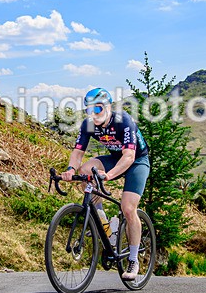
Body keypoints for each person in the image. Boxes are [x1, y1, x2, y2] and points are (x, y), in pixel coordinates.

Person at [61, 87, 150, 280]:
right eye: (89, 110)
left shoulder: (123, 121)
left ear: (108, 107)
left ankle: (133, 260)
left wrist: (108, 176)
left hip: (136, 161)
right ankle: (107, 227)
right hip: (114, 158)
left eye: (98, 109)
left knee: (128, 208)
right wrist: (70, 170)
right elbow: (78, 153)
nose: (93, 114)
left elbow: (129, 156)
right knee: (85, 171)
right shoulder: (89, 124)